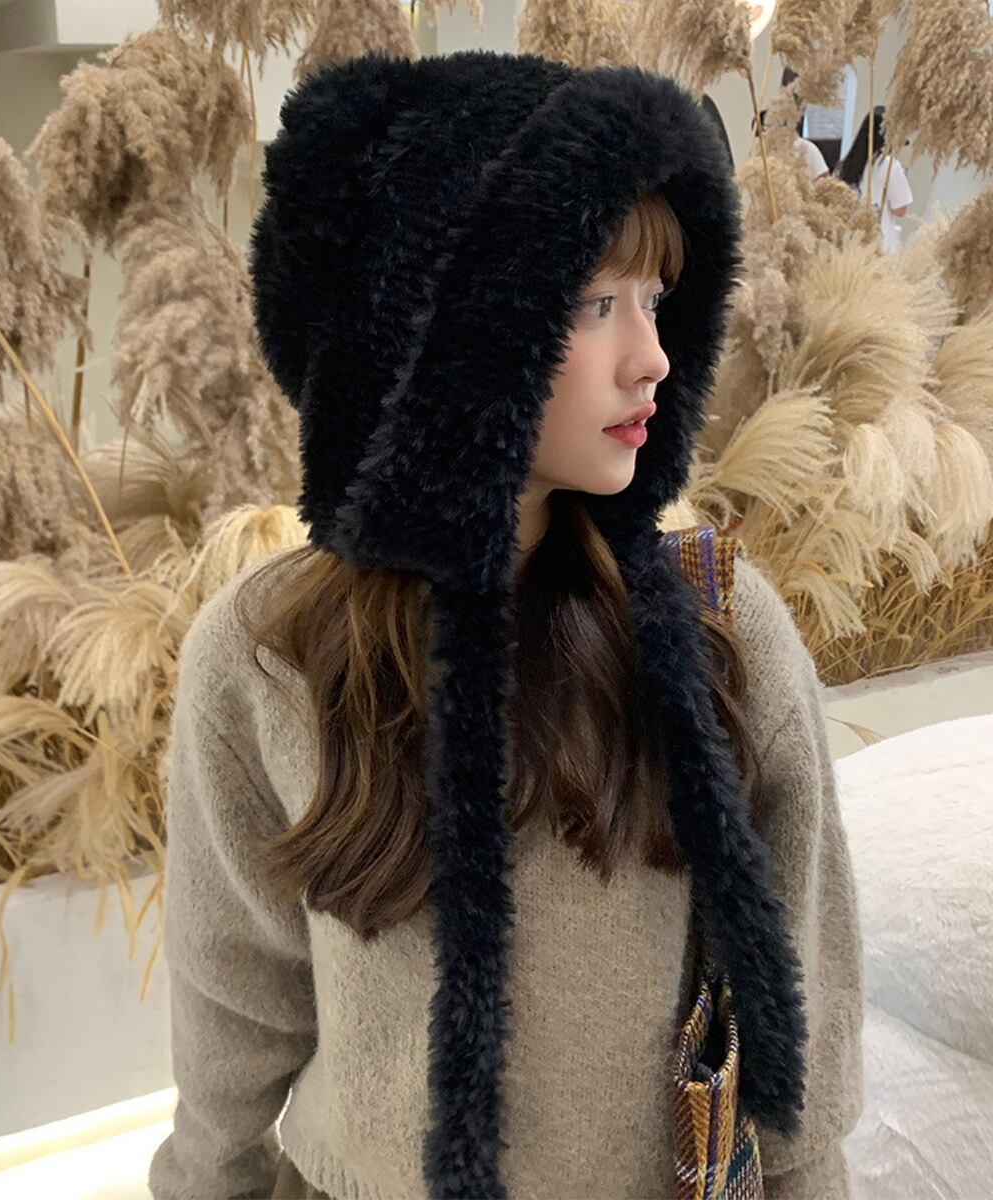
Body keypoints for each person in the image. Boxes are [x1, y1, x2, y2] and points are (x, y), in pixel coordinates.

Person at [148, 50, 865, 1200]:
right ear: (440, 327)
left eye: (654, 299)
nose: (652, 357)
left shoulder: (718, 630)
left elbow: (798, 1037)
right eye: (593, 304)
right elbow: (233, 1013)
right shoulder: (264, 657)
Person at [836, 105, 914, 253]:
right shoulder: (890, 165)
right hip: (880, 245)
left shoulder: (845, 164)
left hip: (849, 245)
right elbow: (900, 210)